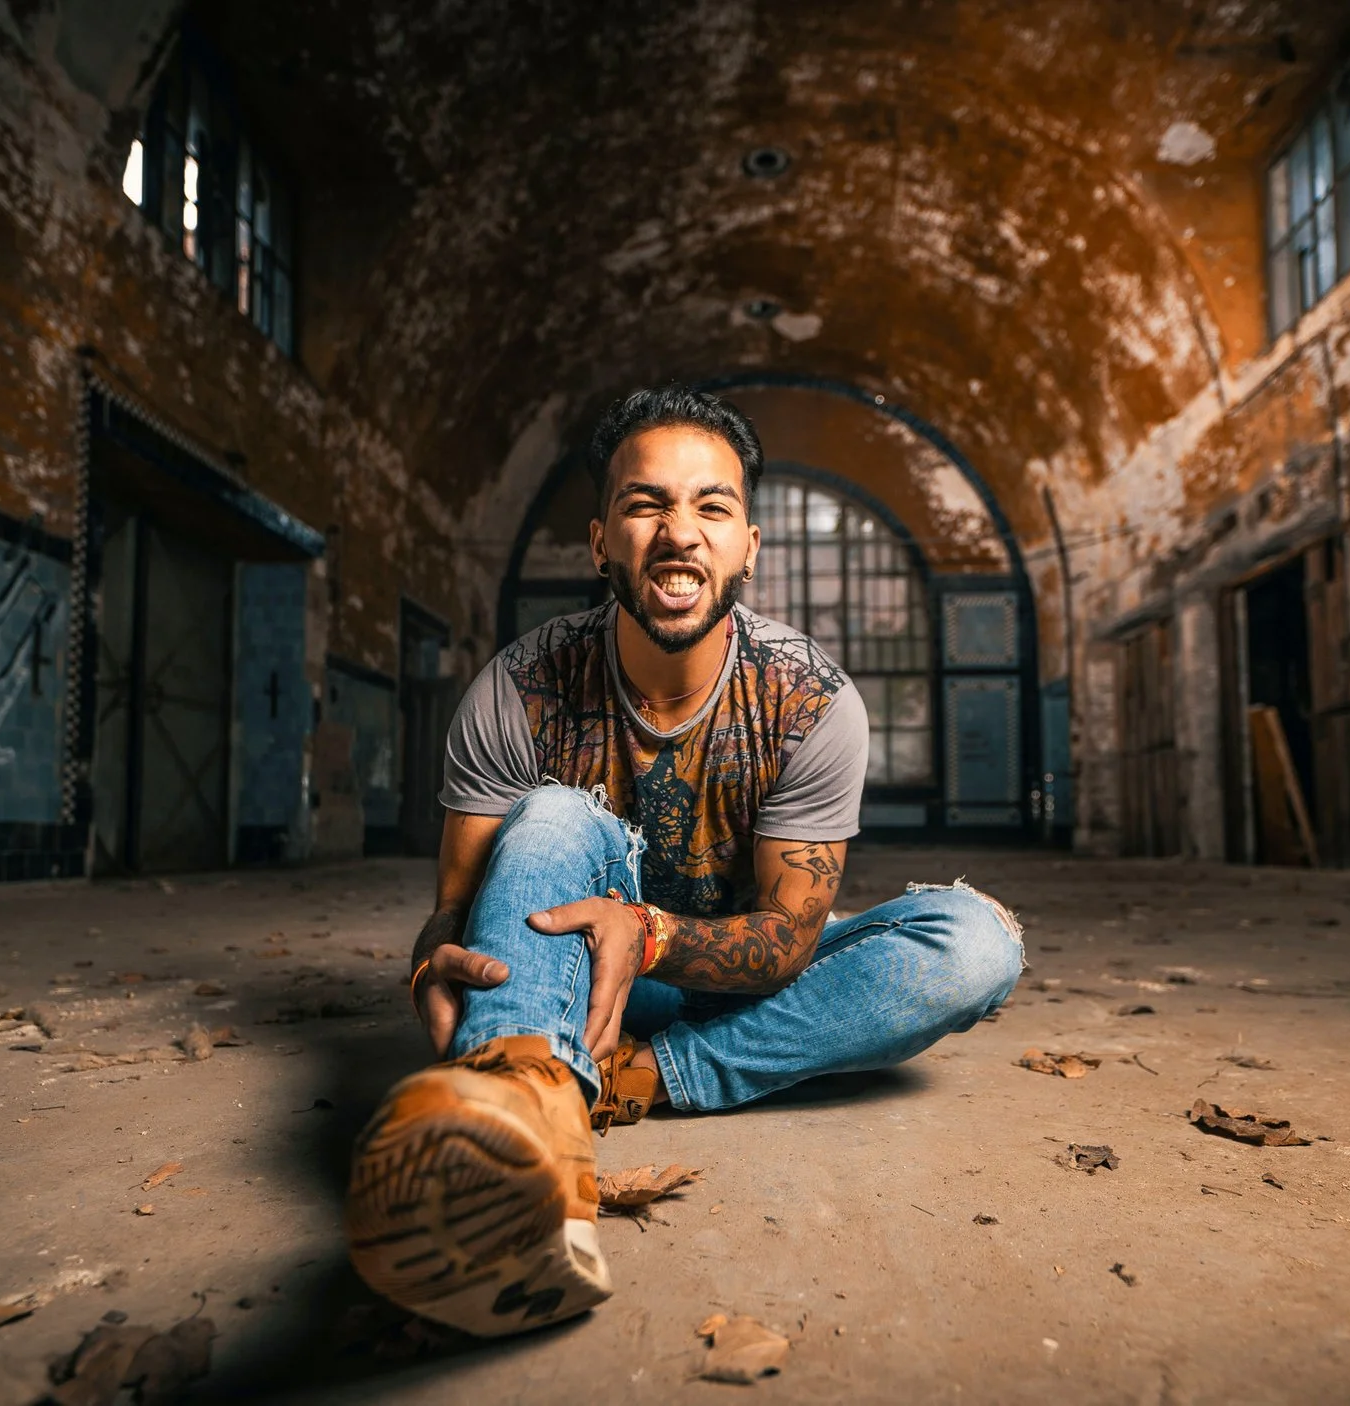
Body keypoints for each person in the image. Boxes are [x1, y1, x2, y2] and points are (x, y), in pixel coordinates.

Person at [343, 386, 1024, 1337]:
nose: (679, 533)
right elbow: (455, 915)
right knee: (548, 818)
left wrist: (650, 932)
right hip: (565, 973)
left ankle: (638, 1079)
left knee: (977, 942)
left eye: (712, 506)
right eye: (645, 504)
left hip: (725, 973)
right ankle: (522, 1146)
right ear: (600, 542)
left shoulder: (810, 702)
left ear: (748, 545)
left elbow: (787, 940)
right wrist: (429, 962)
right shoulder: (518, 690)